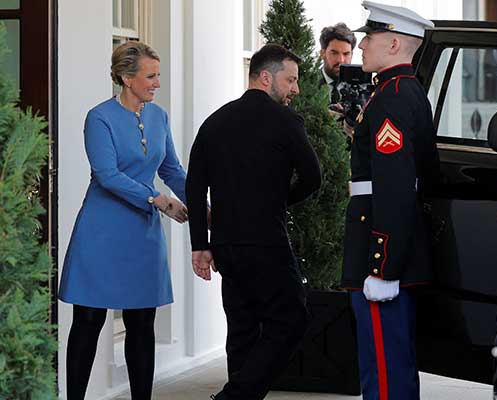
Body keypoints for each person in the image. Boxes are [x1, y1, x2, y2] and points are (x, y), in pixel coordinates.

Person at [186, 44, 322, 400]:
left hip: (225, 245)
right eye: (291, 80)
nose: (296, 89)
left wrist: (200, 244)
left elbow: (195, 187)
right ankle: (234, 397)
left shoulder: (214, 121)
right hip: (266, 242)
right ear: (266, 76)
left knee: (243, 329)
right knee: (292, 320)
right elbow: (313, 177)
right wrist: (277, 202)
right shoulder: (286, 121)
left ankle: (237, 393)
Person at [58, 41, 188, 400]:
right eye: (151, 75)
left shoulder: (158, 117)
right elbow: (106, 174)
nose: (157, 83)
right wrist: (159, 200)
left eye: (158, 74)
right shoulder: (99, 117)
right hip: (101, 231)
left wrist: (205, 206)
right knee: (88, 321)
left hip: (142, 235)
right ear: (126, 78)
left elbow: (172, 169)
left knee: (142, 323)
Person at [341, 2, 439, 399]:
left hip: (380, 247)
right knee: (388, 362)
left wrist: (383, 266)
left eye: (370, 37)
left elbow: (395, 187)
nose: (361, 45)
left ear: (395, 42)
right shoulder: (397, 90)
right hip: (386, 240)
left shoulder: (393, 97)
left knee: (384, 368)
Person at [320, 22, 357, 104]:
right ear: (322, 53)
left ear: (352, 55)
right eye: (334, 53)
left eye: (346, 54)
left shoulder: (361, 87)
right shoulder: (307, 83)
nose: (341, 60)